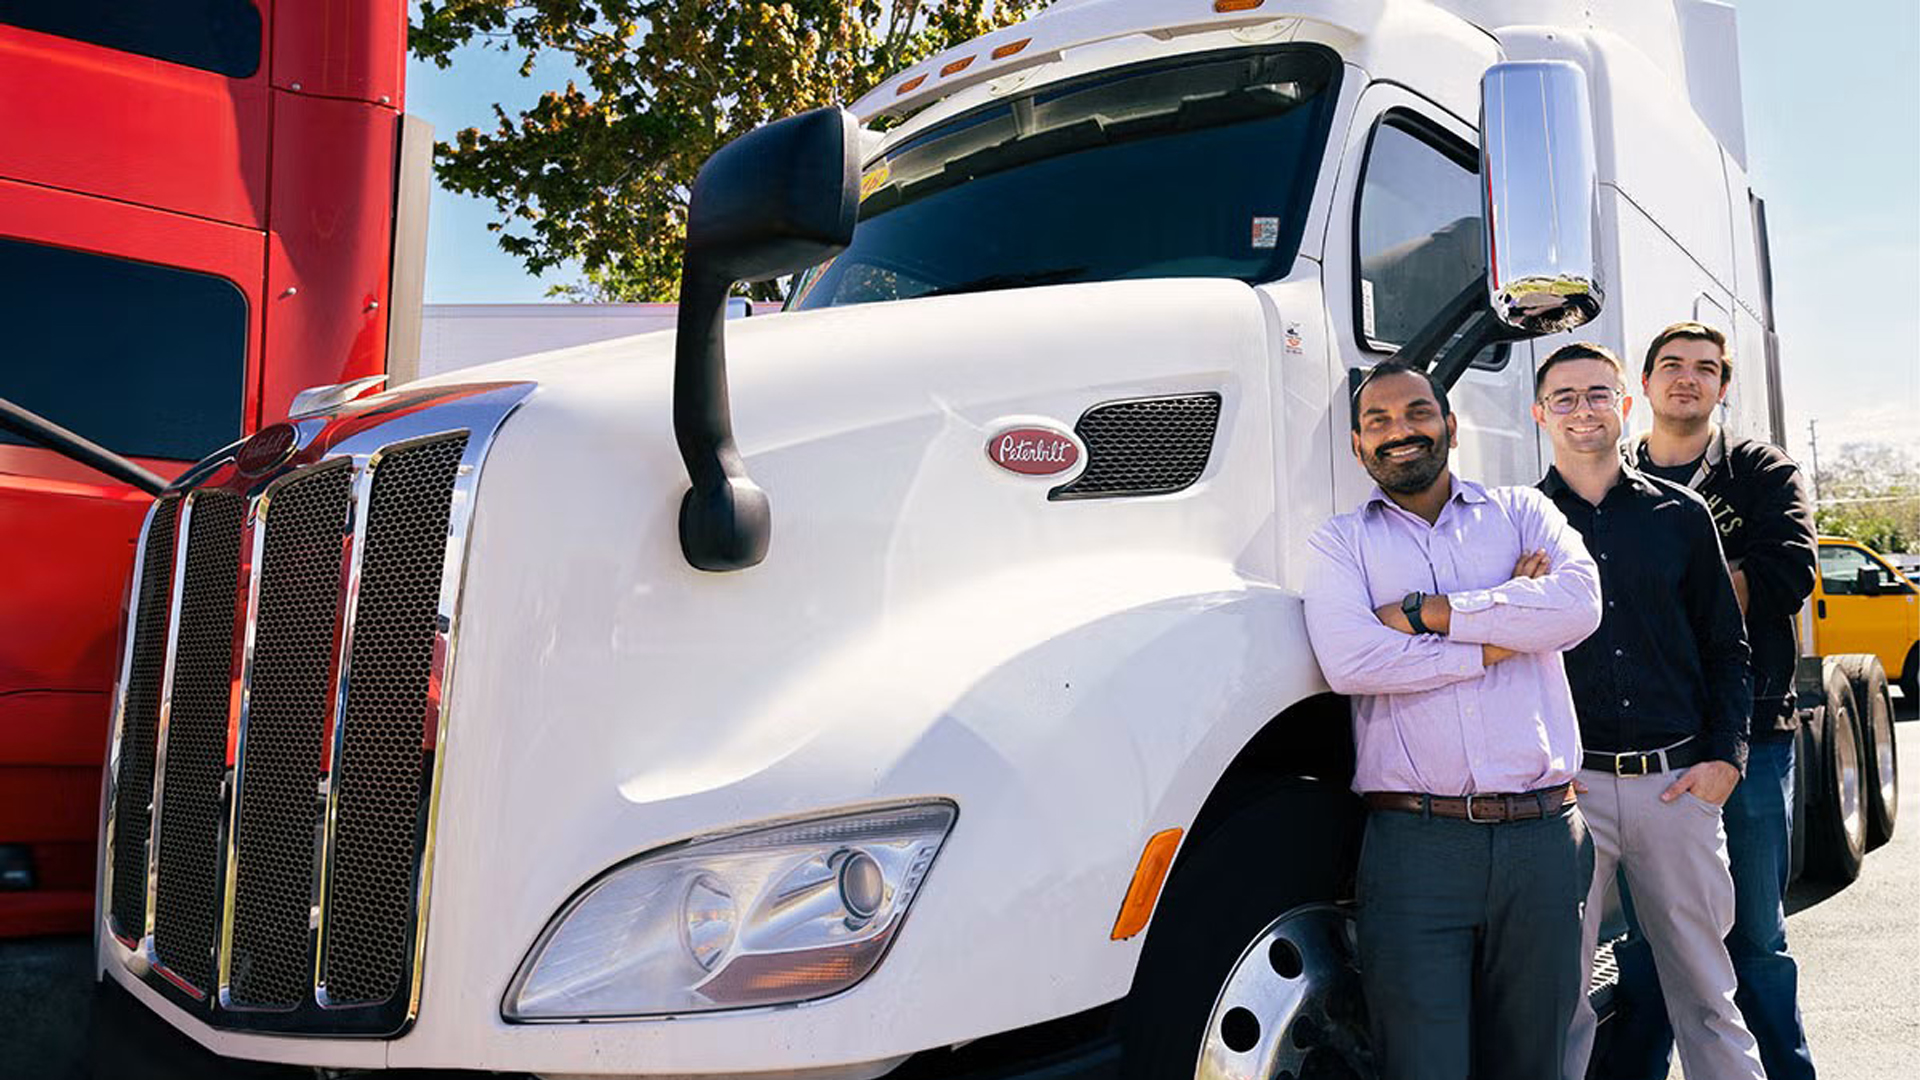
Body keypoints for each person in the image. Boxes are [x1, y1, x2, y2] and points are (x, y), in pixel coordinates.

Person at [1302, 359, 1602, 1080]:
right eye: (1378, 421)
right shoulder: (1339, 542)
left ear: (1450, 426)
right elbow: (1353, 663)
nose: (1399, 431)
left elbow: (1578, 608)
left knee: (1534, 1064)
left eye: (1416, 413)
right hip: (1415, 847)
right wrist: (1504, 630)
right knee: (1423, 1065)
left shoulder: (1523, 512)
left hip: (1543, 842)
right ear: (1356, 445)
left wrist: (1426, 614)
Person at [1530, 342, 1765, 1080]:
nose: (1582, 411)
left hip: (1677, 783)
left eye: (1597, 394)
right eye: (1563, 398)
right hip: (1571, 795)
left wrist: (1726, 759)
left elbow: (1728, 648)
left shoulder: (1682, 516)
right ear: (1539, 415)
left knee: (1706, 991)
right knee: (1558, 999)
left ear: (1624, 405)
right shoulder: (1519, 526)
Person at [1601, 321, 1819, 1080]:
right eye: (1670, 366)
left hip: (1752, 731)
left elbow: (1788, 575)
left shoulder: (1758, 472)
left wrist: (1661, 596)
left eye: (1703, 368)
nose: (1685, 378)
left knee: (1754, 938)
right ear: (1645, 384)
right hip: (1650, 748)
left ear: (1723, 387)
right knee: (1645, 943)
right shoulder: (1615, 477)